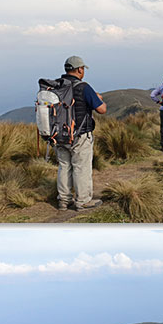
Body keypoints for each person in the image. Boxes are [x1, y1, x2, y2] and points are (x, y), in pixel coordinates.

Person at [55, 56, 107, 212]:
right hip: (80, 135)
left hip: (60, 134)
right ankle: (83, 201)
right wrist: (99, 99)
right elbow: (102, 109)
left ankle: (63, 200)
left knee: (64, 166)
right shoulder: (83, 87)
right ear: (79, 69)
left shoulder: (57, 86)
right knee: (81, 167)